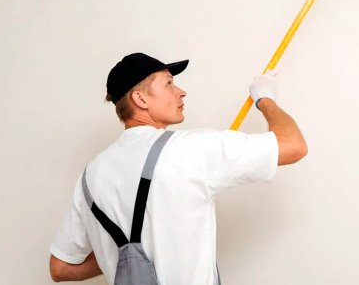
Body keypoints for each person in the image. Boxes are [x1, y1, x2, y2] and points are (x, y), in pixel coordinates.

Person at [49, 53, 307, 283]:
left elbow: (60, 268)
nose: (181, 92)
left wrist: (117, 253)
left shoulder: (91, 176)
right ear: (140, 98)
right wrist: (264, 99)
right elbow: (293, 145)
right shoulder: (191, 150)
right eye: (169, 84)